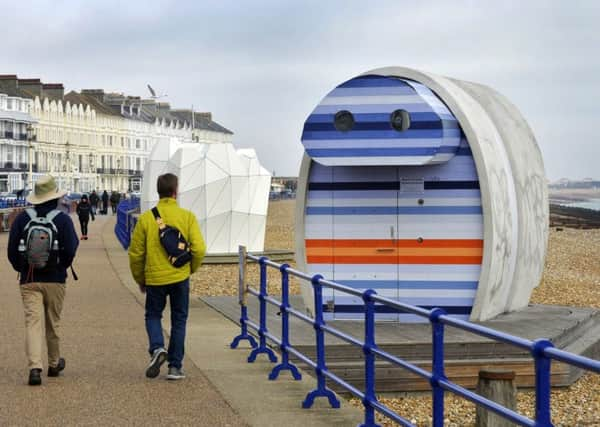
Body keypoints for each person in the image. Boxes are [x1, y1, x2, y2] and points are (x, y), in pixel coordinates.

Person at [128, 173, 206, 380]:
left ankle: (157, 348)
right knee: (179, 320)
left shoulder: (146, 218)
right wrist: (191, 269)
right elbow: (199, 249)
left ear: (158, 191)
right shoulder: (187, 216)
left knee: (153, 315)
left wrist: (140, 278)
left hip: (154, 279)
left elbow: (135, 254)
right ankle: (175, 367)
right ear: (175, 191)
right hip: (180, 277)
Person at [7, 175, 79, 386]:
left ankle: (34, 368)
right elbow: (72, 248)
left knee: (33, 323)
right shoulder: (63, 219)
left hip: (29, 278)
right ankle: (54, 363)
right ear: (55, 197)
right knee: (53, 322)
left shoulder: (22, 218)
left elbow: (12, 251)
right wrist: (60, 267)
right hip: (55, 278)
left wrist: (22, 267)